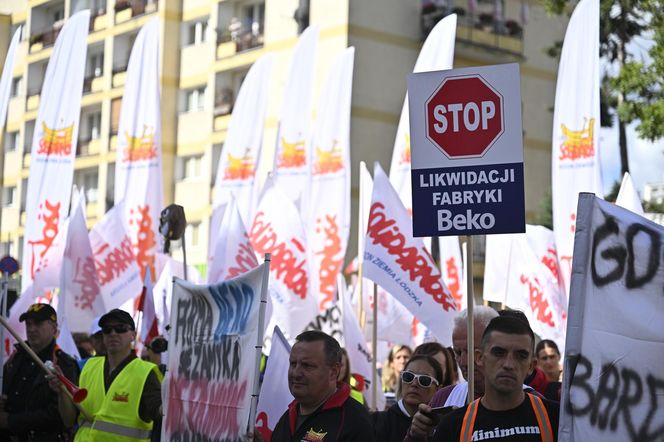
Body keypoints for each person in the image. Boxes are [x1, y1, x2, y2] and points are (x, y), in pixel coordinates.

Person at [430, 315, 559, 441]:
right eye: (499, 353)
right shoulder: (452, 427)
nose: (508, 364)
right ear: (479, 357)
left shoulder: (556, 418)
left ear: (531, 366)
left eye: (521, 355)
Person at [48, 309, 163, 441]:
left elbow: (160, 411)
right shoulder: (89, 367)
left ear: (133, 335)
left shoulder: (145, 373)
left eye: (120, 328)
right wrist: (62, 391)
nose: (113, 333)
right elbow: (68, 421)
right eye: (107, 329)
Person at [405, 306, 498, 441]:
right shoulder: (444, 398)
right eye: (458, 353)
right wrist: (415, 435)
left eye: (473, 351)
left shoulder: (530, 402)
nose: (464, 362)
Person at [270, 330, 375, 441]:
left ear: (333, 371)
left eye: (307, 365)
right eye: (293, 364)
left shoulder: (355, 421)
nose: (296, 373)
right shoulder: (288, 416)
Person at [1, 303, 79, 442]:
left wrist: (11, 421)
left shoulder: (64, 364)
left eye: (38, 324)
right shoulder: (16, 357)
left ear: (54, 328)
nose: (31, 329)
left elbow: (60, 415)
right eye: (28, 324)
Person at [372, 355, 443, 442]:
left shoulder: (443, 425)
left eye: (424, 380)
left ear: (438, 389)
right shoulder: (377, 421)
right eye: (408, 376)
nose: (414, 384)